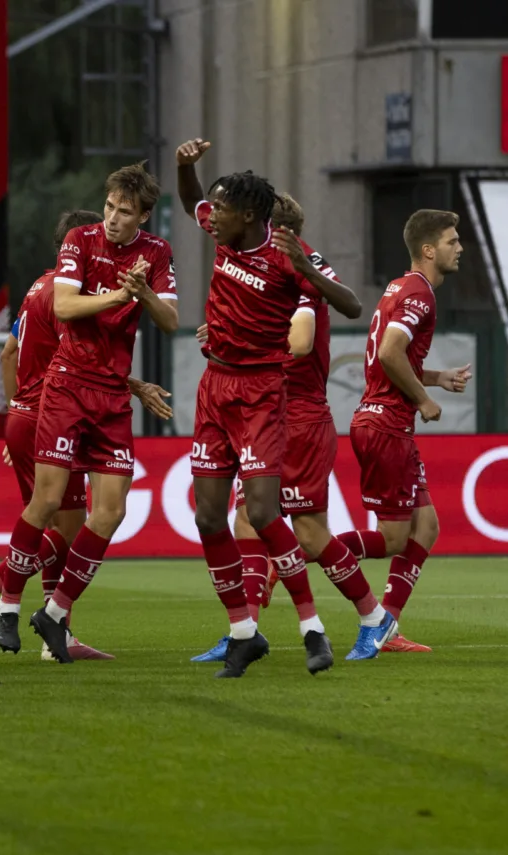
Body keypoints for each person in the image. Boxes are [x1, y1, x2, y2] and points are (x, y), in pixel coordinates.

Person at [0, 163, 179, 665]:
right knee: (49, 501)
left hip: (109, 399)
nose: (114, 218)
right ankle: (5, 603)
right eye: (110, 207)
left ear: (144, 215)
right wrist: (122, 294)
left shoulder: (157, 253)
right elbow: (63, 307)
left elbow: (170, 321)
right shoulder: (80, 240)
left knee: (110, 512)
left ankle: (55, 614)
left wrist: (143, 292)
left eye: (126, 211)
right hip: (65, 390)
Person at [191, 192, 399, 664]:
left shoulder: (302, 268)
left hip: (296, 411)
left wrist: (248, 347)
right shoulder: (257, 262)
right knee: (246, 518)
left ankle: (373, 615)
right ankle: (243, 630)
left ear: (267, 229)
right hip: (262, 408)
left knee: (307, 533)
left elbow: (301, 342)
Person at [177, 137, 353, 678]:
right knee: (209, 515)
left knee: (262, 512)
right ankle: (243, 633)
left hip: (260, 394)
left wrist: (309, 268)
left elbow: (351, 305)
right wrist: (186, 167)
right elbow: (190, 204)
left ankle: (311, 627)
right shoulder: (224, 235)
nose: (211, 219)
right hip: (215, 388)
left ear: (249, 215)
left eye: (222, 210)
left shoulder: (287, 259)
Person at [344, 209, 471, 652]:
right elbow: (389, 353)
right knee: (395, 538)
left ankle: (386, 626)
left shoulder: (401, 287)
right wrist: (423, 398)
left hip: (383, 420)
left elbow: (398, 359)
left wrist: (436, 379)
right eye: (453, 242)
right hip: (386, 425)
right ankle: (290, 555)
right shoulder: (420, 293)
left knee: (427, 526)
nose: (460, 249)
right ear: (429, 250)